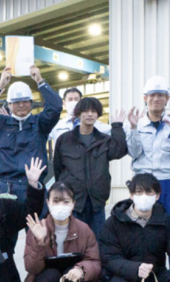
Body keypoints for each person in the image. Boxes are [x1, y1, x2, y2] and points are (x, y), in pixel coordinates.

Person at [127, 76, 170, 271]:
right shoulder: (136, 123)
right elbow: (133, 152)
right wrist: (133, 129)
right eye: (152, 95)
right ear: (145, 98)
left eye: (161, 95)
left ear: (167, 98)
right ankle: (147, 272)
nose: (156, 99)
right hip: (144, 183)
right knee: (143, 226)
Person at [0, 65, 62, 203]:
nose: (21, 105)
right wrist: (0, 85)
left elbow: (56, 107)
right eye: (16, 102)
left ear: (31, 103)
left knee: (35, 218)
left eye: (25, 101)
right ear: (9, 104)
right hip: (5, 188)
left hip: (34, 185)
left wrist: (40, 81)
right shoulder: (0, 124)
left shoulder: (40, 124)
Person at [23, 182, 101, 282]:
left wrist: (82, 270)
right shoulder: (38, 228)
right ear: (48, 203)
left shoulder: (84, 229)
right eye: (56, 201)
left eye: (66, 202)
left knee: (70, 274)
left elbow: (95, 261)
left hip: (72, 276)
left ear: (73, 204)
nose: (61, 206)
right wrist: (40, 242)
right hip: (45, 278)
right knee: (50, 276)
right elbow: (31, 267)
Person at [53, 97, 127, 236]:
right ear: (78, 114)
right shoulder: (65, 140)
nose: (90, 114)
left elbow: (119, 151)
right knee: (74, 241)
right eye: (86, 111)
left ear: (98, 115)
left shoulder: (104, 140)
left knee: (97, 240)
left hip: (97, 202)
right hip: (73, 202)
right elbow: (58, 169)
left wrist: (117, 126)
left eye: (94, 111)